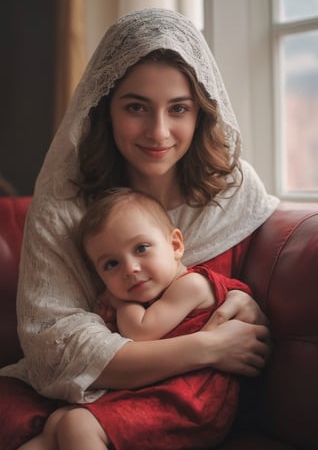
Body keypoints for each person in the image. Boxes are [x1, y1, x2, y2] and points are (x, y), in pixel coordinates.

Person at [0, 7, 279, 447]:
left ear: (201, 113)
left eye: (179, 108)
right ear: (105, 109)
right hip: (78, 390)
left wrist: (245, 303)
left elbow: (237, 299)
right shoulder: (65, 202)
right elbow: (57, 347)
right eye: (136, 107)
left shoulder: (232, 192)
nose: (159, 131)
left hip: (184, 398)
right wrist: (211, 348)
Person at [19, 187, 254, 450]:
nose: (130, 269)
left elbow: (140, 333)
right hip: (159, 391)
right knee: (57, 423)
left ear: (175, 245)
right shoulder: (156, 298)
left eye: (141, 248)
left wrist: (121, 302)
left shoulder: (193, 285)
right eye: (111, 264)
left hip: (192, 403)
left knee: (78, 424)